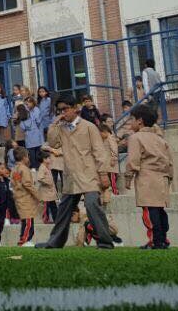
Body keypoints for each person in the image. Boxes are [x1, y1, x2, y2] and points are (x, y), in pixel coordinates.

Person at [37, 97, 114, 250]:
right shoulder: (61, 128)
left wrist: (103, 174)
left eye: (65, 109)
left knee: (93, 206)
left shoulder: (89, 127)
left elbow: (99, 151)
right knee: (64, 211)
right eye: (60, 110)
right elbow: (52, 143)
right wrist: (54, 123)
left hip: (89, 175)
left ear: (74, 108)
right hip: (71, 177)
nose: (62, 113)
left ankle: (106, 242)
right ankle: (54, 242)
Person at [124, 104, 174, 250]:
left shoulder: (135, 138)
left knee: (149, 211)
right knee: (160, 210)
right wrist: (169, 178)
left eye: (131, 119)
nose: (130, 122)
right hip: (162, 178)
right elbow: (169, 161)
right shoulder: (160, 139)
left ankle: (155, 241)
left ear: (139, 121)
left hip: (146, 178)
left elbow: (133, 161)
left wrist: (128, 178)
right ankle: (163, 240)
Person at [10, 146, 38, 247]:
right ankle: (24, 240)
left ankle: (25, 239)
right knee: (28, 221)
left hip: (18, 197)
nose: (28, 158)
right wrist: (37, 195)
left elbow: (16, 182)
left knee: (25, 220)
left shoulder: (15, 169)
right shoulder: (24, 169)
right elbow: (27, 184)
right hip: (25, 198)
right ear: (24, 157)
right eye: (28, 156)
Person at [36, 148, 58, 224]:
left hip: (49, 192)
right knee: (46, 207)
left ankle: (56, 219)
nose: (50, 159)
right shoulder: (42, 167)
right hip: (45, 193)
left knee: (53, 206)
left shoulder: (46, 167)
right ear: (44, 159)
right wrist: (48, 182)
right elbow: (39, 178)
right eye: (48, 158)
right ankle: (46, 219)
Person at [22, 100, 45, 170]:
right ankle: (37, 166)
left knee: (32, 153)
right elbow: (38, 121)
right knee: (36, 152)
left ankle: (34, 166)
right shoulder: (33, 113)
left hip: (30, 136)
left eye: (28, 103)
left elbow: (22, 127)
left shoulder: (24, 117)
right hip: (35, 135)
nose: (27, 105)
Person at [100, 123, 120, 195]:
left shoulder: (110, 138)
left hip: (111, 165)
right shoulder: (105, 139)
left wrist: (114, 158)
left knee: (113, 180)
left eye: (101, 134)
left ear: (105, 132)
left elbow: (114, 149)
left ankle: (115, 193)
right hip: (107, 165)